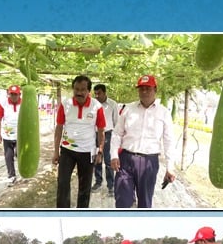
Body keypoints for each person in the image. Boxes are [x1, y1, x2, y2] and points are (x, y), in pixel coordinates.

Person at [110, 75, 176, 208]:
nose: (144, 92)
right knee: (122, 200)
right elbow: (117, 133)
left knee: (145, 203)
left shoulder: (163, 113)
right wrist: (114, 155)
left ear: (155, 89)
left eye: (148, 88)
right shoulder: (128, 109)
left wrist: (170, 167)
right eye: (141, 89)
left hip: (149, 162)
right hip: (126, 159)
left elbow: (169, 140)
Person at [52, 75, 106, 208]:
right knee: (63, 183)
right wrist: (55, 151)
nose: (79, 93)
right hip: (67, 150)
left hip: (87, 152)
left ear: (89, 91)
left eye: (83, 90)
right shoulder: (66, 104)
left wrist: (100, 151)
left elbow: (101, 131)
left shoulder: (97, 107)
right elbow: (59, 128)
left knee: (85, 186)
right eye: (76, 89)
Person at [92, 84, 119, 196]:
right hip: (94, 134)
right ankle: (98, 182)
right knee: (96, 159)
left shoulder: (112, 104)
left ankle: (111, 185)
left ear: (105, 92)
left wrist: (115, 138)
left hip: (107, 134)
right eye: (96, 94)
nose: (97, 96)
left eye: (99, 93)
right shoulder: (93, 104)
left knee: (108, 160)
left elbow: (116, 121)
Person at [0, 85, 23, 186]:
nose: (13, 96)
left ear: (19, 94)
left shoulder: (24, 103)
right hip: (7, 136)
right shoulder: (3, 104)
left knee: (19, 154)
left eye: (16, 94)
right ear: (8, 94)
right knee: (8, 157)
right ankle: (11, 176)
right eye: (11, 94)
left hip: (20, 135)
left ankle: (23, 172)